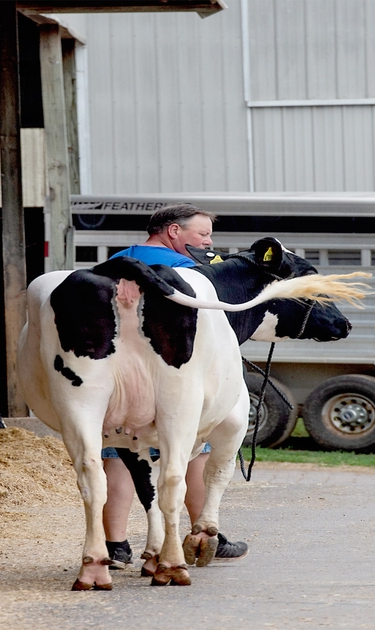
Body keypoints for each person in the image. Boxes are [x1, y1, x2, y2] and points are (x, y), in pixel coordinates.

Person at [100, 203, 249, 569]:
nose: (209, 242)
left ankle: (116, 547)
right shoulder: (188, 273)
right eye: (202, 234)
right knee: (194, 455)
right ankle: (205, 531)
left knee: (117, 460)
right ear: (173, 232)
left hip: (119, 382)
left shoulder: (113, 265)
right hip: (170, 378)